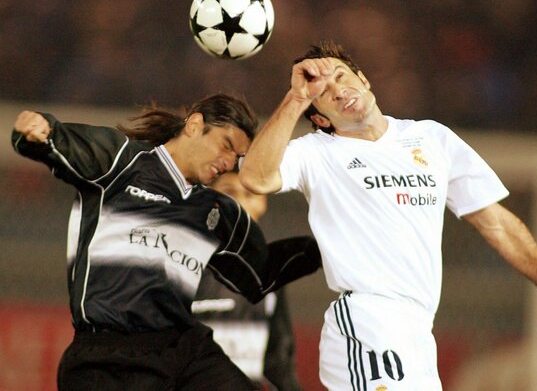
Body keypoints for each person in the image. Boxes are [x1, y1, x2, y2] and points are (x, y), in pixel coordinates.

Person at [238, 40, 537, 390]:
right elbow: (255, 176)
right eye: (322, 90)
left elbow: (496, 223)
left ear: (364, 80)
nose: (337, 89)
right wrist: (297, 96)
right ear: (320, 117)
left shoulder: (430, 139)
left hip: (418, 331)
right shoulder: (317, 152)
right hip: (368, 322)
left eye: (341, 75)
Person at [11, 94, 319, 391]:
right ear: (195, 125)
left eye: (237, 158)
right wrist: (34, 129)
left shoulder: (219, 211)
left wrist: (329, 243)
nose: (228, 163)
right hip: (106, 356)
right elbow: (48, 140)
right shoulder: (122, 161)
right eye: (226, 146)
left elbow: (262, 274)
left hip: (183, 352)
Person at [194, 172, 303, 390]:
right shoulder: (178, 263)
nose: (239, 203)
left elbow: (278, 361)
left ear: (263, 203)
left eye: (250, 194)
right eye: (228, 192)